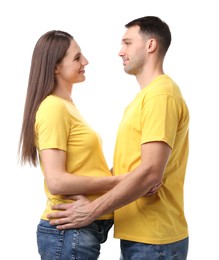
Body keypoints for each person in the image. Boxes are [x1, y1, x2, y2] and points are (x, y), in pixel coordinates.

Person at [47, 16, 190, 260]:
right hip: (141, 237)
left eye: (127, 43)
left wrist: (91, 210)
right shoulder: (143, 99)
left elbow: (149, 174)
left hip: (155, 240)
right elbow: (132, 169)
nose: (120, 52)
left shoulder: (160, 95)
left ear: (150, 45)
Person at [18, 30, 129, 260]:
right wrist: (116, 182)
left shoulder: (67, 106)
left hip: (78, 231)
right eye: (77, 57)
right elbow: (56, 181)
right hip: (69, 231)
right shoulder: (53, 108)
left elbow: (84, 170)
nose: (85, 62)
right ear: (56, 66)